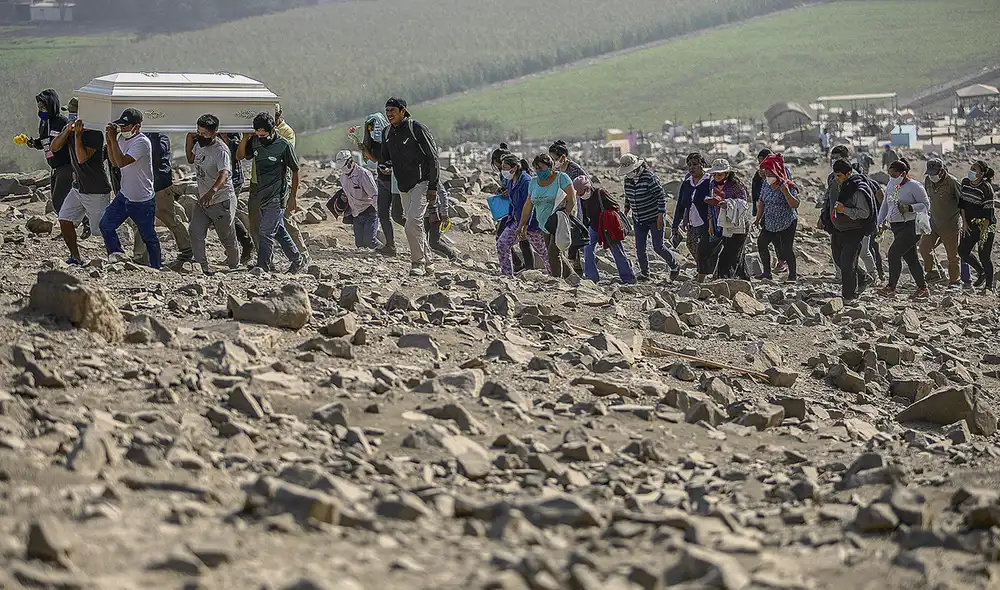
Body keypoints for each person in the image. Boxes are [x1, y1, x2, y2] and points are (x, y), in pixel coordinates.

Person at [381, 97, 441, 276]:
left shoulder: (416, 129)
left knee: (411, 223)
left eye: (392, 110)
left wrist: (433, 186)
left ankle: (418, 262)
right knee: (416, 225)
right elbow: (385, 159)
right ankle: (429, 261)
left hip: (421, 183)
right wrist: (385, 168)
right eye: (387, 111)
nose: (389, 114)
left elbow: (433, 157)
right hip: (403, 185)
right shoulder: (387, 133)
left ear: (403, 111)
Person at [237, 112, 304, 273]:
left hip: (277, 195)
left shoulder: (283, 145)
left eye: (264, 134)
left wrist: (293, 196)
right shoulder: (255, 142)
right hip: (261, 194)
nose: (261, 137)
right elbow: (240, 156)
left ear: (273, 130)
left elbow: (295, 171)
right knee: (279, 230)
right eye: (258, 134)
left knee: (266, 231)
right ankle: (298, 260)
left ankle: (263, 266)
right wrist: (246, 137)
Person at [99, 108, 161, 268]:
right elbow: (114, 162)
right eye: (122, 126)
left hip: (142, 199)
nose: (124, 129)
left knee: (149, 236)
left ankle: (156, 267)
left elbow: (122, 162)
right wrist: (111, 140)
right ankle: (117, 256)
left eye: (127, 126)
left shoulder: (142, 142)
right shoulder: (121, 139)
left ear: (137, 126)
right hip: (125, 194)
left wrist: (112, 140)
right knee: (105, 225)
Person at [50, 116, 113, 265]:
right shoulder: (70, 130)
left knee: (101, 229)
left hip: (95, 189)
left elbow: (82, 158)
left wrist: (78, 135)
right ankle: (75, 256)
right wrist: (67, 131)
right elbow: (54, 147)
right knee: (65, 218)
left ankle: (115, 255)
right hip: (78, 187)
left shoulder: (95, 134)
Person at [185, 114, 239, 273]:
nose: (200, 136)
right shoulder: (199, 144)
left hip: (221, 200)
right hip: (203, 201)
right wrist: (189, 139)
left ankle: (234, 266)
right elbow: (190, 159)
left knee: (226, 236)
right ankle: (202, 267)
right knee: (195, 231)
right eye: (198, 132)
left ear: (214, 133)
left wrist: (212, 192)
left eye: (204, 134)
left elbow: (224, 174)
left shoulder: (221, 151)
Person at [133, 131, 193, 266]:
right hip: (145, 183)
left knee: (168, 216)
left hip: (159, 184)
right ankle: (141, 255)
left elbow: (156, 159)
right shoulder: (147, 137)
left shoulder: (159, 137)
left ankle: (187, 247)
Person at [619, 153, 680, 281]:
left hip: (654, 217)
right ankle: (645, 273)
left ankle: (674, 266)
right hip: (638, 218)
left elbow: (660, 197)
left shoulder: (649, 178)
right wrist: (625, 210)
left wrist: (660, 216)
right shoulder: (628, 180)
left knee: (658, 246)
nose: (628, 174)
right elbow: (628, 196)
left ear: (637, 168)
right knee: (640, 248)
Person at [875, 158, 930, 298]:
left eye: (894, 175)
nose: (892, 178)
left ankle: (891, 287)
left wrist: (910, 207)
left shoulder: (915, 186)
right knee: (911, 259)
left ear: (903, 173)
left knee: (893, 253)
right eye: (890, 175)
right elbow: (887, 205)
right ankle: (923, 288)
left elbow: (926, 205)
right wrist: (880, 222)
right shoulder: (893, 186)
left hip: (912, 226)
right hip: (897, 227)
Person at [516, 153, 576, 278]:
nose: (539, 172)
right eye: (536, 169)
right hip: (544, 225)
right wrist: (521, 225)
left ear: (550, 167)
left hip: (559, 223)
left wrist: (566, 216)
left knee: (553, 253)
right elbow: (528, 205)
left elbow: (572, 199)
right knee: (556, 254)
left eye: (541, 168)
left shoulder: (561, 178)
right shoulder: (533, 182)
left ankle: (556, 282)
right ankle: (572, 277)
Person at [830, 159, 877, 301]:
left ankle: (849, 296)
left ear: (848, 174)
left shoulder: (857, 190)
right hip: (838, 229)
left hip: (854, 230)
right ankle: (863, 278)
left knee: (847, 263)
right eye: (835, 175)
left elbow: (864, 213)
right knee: (839, 259)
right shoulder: (837, 184)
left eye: (839, 176)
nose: (836, 178)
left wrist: (845, 210)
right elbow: (830, 200)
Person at [574, 175, 634, 284]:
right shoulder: (583, 199)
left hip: (608, 227)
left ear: (587, 188)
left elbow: (615, 206)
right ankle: (591, 278)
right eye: (577, 193)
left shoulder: (600, 193)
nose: (579, 195)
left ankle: (628, 278)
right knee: (587, 249)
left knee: (617, 252)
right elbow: (584, 215)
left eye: (580, 193)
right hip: (594, 227)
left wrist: (606, 215)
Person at [496, 153, 548, 276]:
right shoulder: (511, 181)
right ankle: (506, 274)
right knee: (502, 244)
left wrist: (524, 226)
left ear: (514, 168)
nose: (503, 170)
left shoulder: (526, 181)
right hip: (516, 220)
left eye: (505, 167)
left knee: (543, 251)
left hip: (530, 223)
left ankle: (556, 275)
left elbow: (530, 205)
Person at [698, 159, 750, 280]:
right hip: (721, 224)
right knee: (730, 253)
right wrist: (711, 222)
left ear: (727, 174)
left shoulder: (736, 186)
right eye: (714, 174)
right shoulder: (712, 185)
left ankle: (725, 280)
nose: (716, 177)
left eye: (719, 174)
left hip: (737, 225)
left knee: (731, 254)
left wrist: (727, 204)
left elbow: (743, 203)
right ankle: (742, 279)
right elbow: (711, 205)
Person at [918, 158, 965, 288]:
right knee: (924, 247)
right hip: (933, 222)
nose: (932, 176)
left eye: (935, 173)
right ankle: (932, 273)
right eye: (930, 173)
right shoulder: (928, 180)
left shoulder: (952, 182)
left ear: (942, 171)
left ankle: (955, 281)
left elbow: (963, 204)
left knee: (952, 255)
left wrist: (965, 223)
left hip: (950, 225)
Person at [361, 112, 403, 256]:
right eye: (371, 130)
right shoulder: (375, 143)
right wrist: (365, 151)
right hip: (382, 180)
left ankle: (418, 235)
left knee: (398, 215)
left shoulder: (391, 139)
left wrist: (392, 169)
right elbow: (375, 161)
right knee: (383, 213)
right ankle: (390, 245)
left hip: (395, 182)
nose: (373, 132)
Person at [755, 153, 800, 281]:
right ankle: (767, 273)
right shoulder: (765, 184)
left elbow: (795, 204)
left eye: (770, 173)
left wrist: (785, 192)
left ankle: (792, 275)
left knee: (786, 249)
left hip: (787, 221)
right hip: (770, 221)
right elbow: (762, 201)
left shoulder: (788, 185)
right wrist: (758, 219)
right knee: (762, 243)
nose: (768, 176)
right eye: (767, 173)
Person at [30, 89, 73, 216]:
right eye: (39, 107)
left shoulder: (62, 122)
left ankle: (75, 225)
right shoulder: (44, 122)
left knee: (59, 200)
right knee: (58, 201)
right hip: (54, 167)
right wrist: (34, 143)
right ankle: (74, 224)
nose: (41, 110)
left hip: (65, 166)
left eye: (43, 107)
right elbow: (45, 140)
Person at [958, 160, 997, 292]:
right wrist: (964, 223)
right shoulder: (965, 183)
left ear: (982, 173)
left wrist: (983, 234)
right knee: (962, 251)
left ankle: (989, 286)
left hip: (986, 226)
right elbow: (962, 204)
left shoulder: (986, 188)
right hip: (969, 225)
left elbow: (989, 214)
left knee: (984, 255)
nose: (972, 171)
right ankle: (981, 273)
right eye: (971, 168)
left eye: (975, 169)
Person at [333, 150, 382, 250]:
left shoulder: (364, 174)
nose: (342, 169)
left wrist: (380, 216)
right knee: (359, 244)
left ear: (350, 162)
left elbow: (374, 195)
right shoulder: (343, 178)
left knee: (370, 241)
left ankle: (385, 250)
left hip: (370, 212)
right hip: (356, 214)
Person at [673, 152, 711, 262]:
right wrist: (675, 224)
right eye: (689, 165)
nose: (691, 168)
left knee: (706, 248)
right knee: (691, 245)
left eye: (694, 164)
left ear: (702, 165)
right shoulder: (687, 183)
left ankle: (706, 272)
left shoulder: (709, 181)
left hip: (707, 223)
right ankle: (703, 269)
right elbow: (681, 204)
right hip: (692, 222)